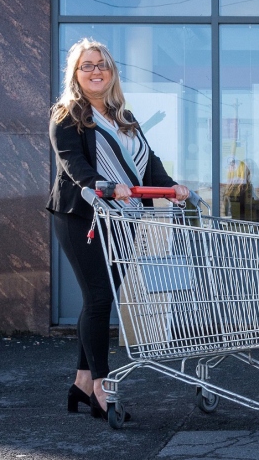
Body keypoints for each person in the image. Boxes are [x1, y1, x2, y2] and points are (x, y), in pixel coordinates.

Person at [47, 39, 189, 420]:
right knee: (98, 298)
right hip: (83, 217)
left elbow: (149, 162)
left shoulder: (123, 116)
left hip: (124, 217)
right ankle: (101, 390)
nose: (95, 71)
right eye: (86, 65)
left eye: (102, 65)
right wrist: (103, 185)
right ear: (75, 74)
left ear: (111, 72)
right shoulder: (66, 115)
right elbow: (73, 164)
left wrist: (171, 187)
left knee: (100, 299)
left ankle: (80, 382)